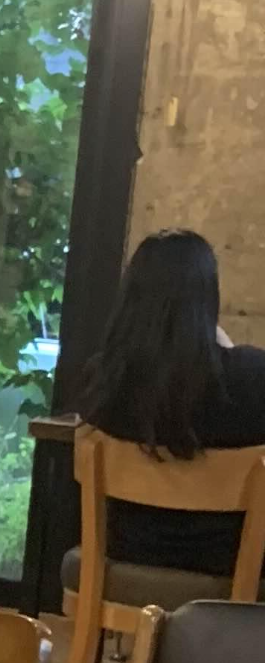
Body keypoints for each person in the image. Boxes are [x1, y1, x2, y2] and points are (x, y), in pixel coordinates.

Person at [78, 229, 265, 571]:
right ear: (209, 298)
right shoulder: (253, 377)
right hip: (230, 565)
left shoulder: (104, 377)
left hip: (126, 553)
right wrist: (225, 348)